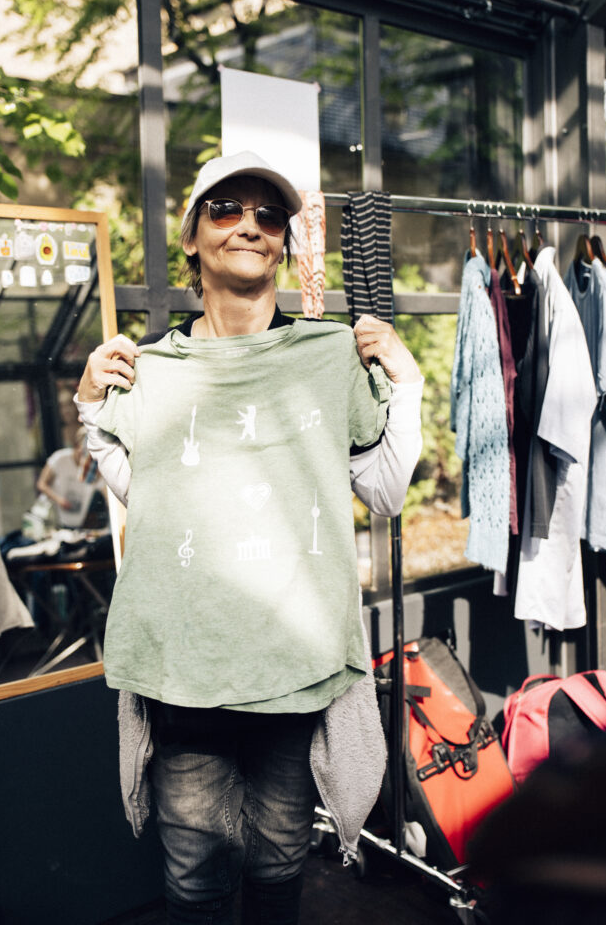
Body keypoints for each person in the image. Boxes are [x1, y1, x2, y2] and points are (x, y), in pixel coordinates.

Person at [75, 151, 423, 925]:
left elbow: (386, 491)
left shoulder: (327, 355)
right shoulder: (151, 368)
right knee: (194, 885)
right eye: (226, 210)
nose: (250, 227)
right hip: (184, 669)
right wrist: (91, 406)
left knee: (276, 873)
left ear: (284, 244)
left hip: (290, 669)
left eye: (269, 216)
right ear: (193, 236)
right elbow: (150, 496)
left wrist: (406, 383)